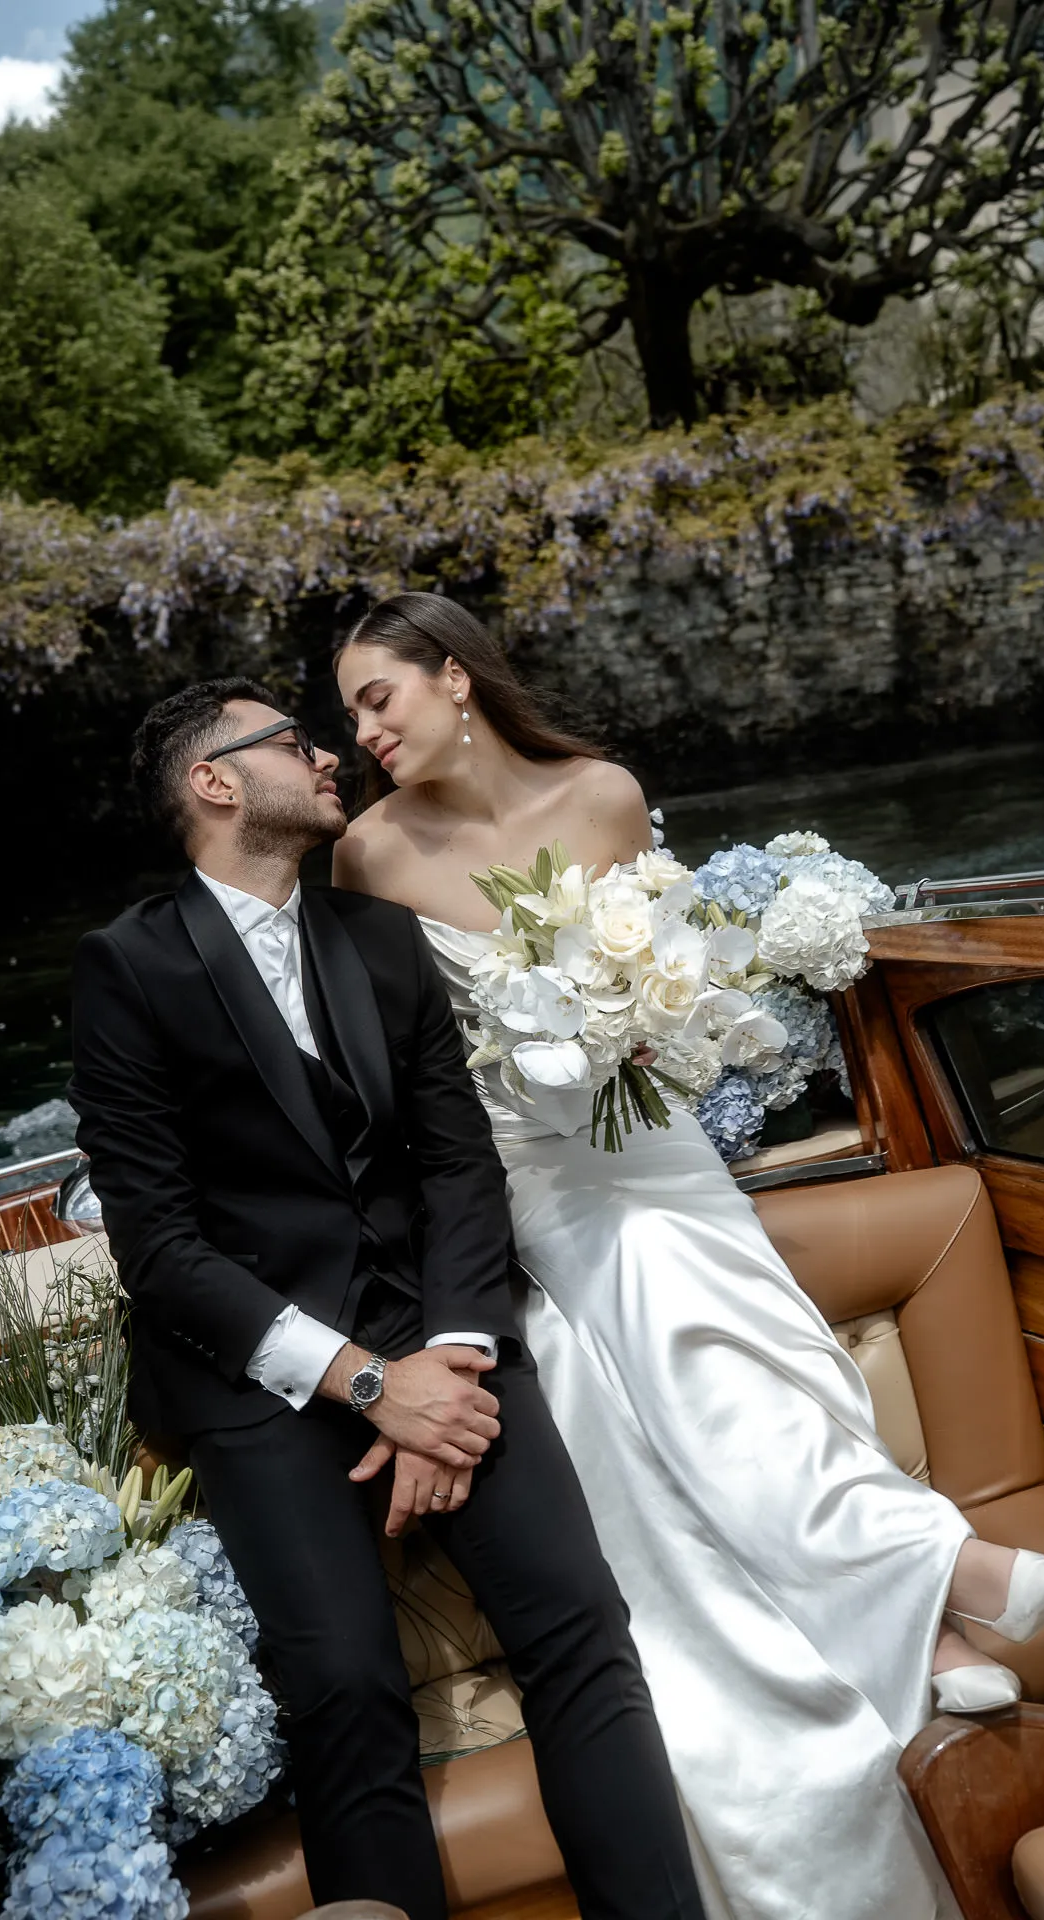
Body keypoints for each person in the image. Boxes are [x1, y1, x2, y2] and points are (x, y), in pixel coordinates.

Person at [331, 592, 1044, 1920]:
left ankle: (924, 1598)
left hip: (654, 1143)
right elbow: (386, 1068)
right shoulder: (369, 859)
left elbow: (659, 974)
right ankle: (931, 1577)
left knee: (757, 1344)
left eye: (378, 698)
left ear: (453, 678)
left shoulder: (602, 795)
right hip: (530, 1187)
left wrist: (647, 1017)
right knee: (665, 1317)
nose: (363, 734)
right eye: (345, 716)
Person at [67, 678, 705, 1920]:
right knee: (348, 1690)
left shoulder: (380, 940)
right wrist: (369, 1386)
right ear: (214, 782)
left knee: (581, 1636)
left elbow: (456, 1164)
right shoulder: (126, 967)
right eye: (290, 742)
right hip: (257, 1374)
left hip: (442, 1337)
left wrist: (450, 1365)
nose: (325, 757)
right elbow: (160, 1249)